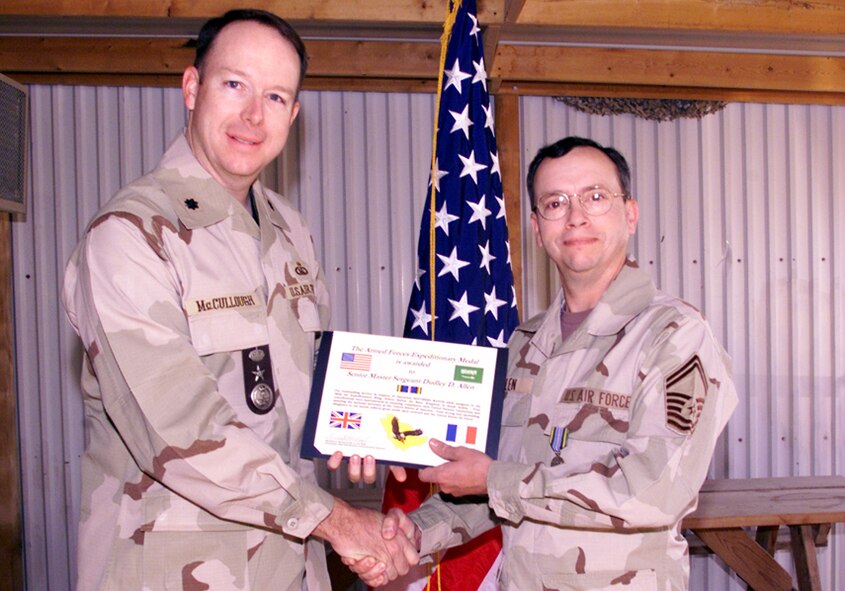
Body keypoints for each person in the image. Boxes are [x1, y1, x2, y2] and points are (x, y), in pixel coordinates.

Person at [61, 9, 416, 590]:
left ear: (293, 114)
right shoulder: (130, 235)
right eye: (234, 85)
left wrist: (368, 430)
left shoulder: (289, 229)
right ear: (192, 88)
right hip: (173, 570)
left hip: (292, 568)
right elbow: (178, 427)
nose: (254, 115)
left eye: (276, 97)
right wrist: (338, 520)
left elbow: (309, 386)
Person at [351, 136, 738, 590]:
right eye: (555, 202)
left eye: (595, 197)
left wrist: (495, 478)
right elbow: (489, 483)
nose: (576, 216)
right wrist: (420, 529)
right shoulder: (524, 345)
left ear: (629, 213)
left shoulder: (674, 335)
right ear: (537, 228)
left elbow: (655, 490)